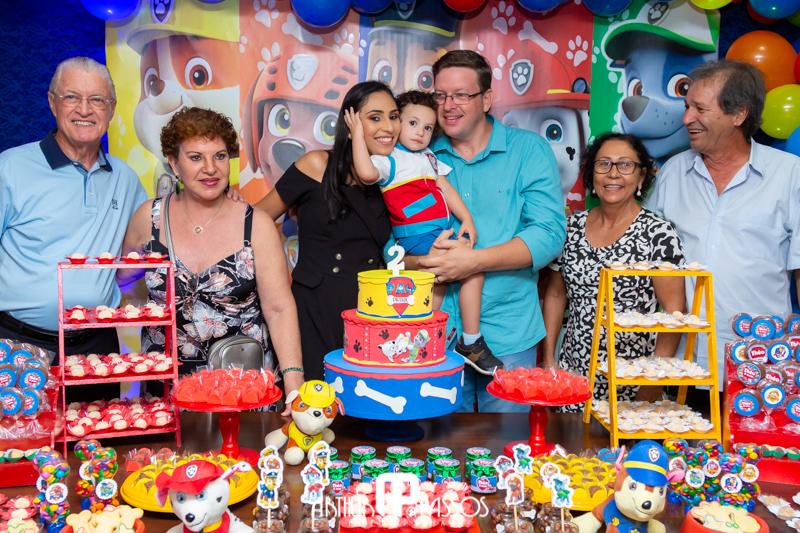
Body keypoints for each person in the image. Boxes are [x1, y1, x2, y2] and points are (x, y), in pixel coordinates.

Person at [410, 50, 567, 412]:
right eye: (440, 95)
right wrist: (429, 262)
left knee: (508, 440)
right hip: (434, 335)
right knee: (440, 439)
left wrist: (473, 262)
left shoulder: (528, 150)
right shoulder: (420, 156)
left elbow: (548, 234)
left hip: (509, 333)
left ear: (486, 99)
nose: (448, 105)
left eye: (461, 95)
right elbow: (395, 238)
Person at [120, 107, 304, 396]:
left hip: (243, 390)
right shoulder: (148, 218)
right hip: (165, 389)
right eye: (196, 157)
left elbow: (279, 309)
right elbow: (126, 282)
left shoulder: (256, 224)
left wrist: (295, 387)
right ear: (174, 163)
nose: (210, 168)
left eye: (219, 156)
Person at [644, 59, 800, 397]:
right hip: (681, 366)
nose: (686, 118)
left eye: (699, 109)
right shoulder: (673, 172)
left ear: (739, 114)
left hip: (759, 372)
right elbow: (647, 262)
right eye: (687, 107)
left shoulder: (790, 175)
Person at [343, 90, 503, 375]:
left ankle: (426, 341)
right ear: (397, 124)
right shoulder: (389, 158)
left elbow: (445, 186)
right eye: (413, 123)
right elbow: (366, 173)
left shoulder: (428, 156)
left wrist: (466, 217)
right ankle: (469, 342)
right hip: (416, 234)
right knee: (471, 272)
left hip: (439, 231)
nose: (420, 132)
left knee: (438, 285)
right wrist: (357, 135)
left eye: (428, 128)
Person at [0, 57, 147, 362]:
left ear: (112, 109)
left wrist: (224, 200)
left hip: (98, 345)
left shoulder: (125, 178)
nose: (84, 110)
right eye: (72, 97)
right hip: (18, 345)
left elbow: (153, 235)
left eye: (97, 99)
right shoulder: (9, 168)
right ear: (52, 103)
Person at [255, 81, 393, 381]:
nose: (388, 127)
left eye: (394, 117)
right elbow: (256, 220)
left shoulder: (393, 180)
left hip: (369, 309)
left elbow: (399, 251)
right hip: (313, 308)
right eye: (375, 117)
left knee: (363, 400)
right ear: (350, 122)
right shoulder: (317, 164)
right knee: (312, 401)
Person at [542, 133, 687, 411]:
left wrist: (652, 383)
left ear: (641, 177)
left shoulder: (658, 233)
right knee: (569, 440)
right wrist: (549, 358)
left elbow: (674, 313)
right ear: (592, 174)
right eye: (604, 164)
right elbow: (557, 295)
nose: (613, 173)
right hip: (573, 379)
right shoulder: (572, 227)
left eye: (625, 165)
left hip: (633, 381)